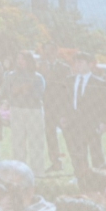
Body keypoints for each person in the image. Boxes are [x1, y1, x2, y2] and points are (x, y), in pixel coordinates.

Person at [61, 52, 106, 179]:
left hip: (91, 122)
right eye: (76, 62)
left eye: (81, 62)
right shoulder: (69, 80)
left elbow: (105, 104)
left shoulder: (99, 83)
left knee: (95, 151)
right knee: (76, 151)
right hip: (73, 122)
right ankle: (80, 175)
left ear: (90, 64)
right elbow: (64, 100)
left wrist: (104, 122)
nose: (78, 65)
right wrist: (64, 116)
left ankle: (100, 177)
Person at [1, 50, 46, 176]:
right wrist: (20, 89)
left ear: (29, 61)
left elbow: (39, 95)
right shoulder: (10, 76)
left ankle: (37, 172)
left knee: (35, 142)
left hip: (34, 111)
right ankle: (19, 171)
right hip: (17, 109)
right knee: (18, 142)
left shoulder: (37, 77)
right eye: (18, 59)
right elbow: (5, 92)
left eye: (23, 59)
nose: (20, 61)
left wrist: (26, 91)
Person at [38, 42, 71, 172]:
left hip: (61, 107)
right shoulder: (40, 67)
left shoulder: (64, 68)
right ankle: (56, 162)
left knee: (68, 134)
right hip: (46, 106)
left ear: (57, 52)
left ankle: (75, 160)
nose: (49, 53)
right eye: (46, 51)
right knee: (50, 135)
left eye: (52, 50)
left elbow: (66, 87)